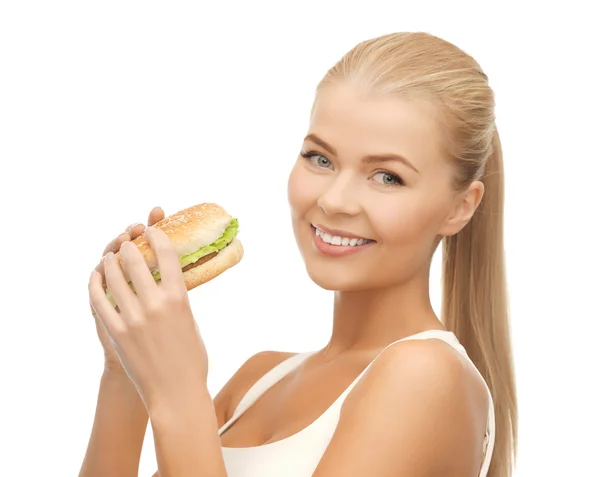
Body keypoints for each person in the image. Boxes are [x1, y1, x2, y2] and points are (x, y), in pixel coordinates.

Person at [79, 31, 517, 477]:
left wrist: (178, 394)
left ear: (460, 207)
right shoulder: (258, 380)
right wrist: (125, 376)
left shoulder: (426, 375)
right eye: (320, 159)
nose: (335, 201)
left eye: (387, 177)